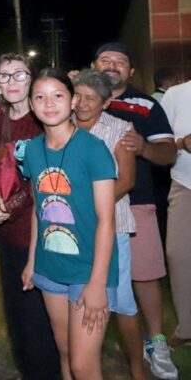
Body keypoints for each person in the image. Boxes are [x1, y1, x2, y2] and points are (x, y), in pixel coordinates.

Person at [21, 68, 118, 380]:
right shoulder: (32, 149)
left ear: (73, 100)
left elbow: (107, 220)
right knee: (64, 351)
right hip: (50, 266)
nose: (49, 103)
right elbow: (39, 209)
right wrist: (32, 261)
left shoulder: (93, 149)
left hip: (89, 269)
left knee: (83, 365)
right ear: (31, 104)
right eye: (40, 97)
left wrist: (98, 284)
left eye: (58, 95)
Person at [92, 43, 177, 379]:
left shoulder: (146, 104)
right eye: (106, 60)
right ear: (94, 66)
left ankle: (157, 342)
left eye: (120, 61)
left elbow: (168, 153)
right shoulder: (79, 99)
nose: (112, 65)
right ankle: (93, 343)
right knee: (95, 278)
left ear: (130, 71)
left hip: (136, 201)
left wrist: (144, 147)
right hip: (87, 206)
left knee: (144, 275)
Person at [0, 53, 60, 380]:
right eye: (4, 76)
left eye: (19, 74)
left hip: (36, 231)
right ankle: (27, 368)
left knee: (37, 312)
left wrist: (10, 206)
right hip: (6, 233)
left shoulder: (43, 119)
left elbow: (42, 178)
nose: (11, 81)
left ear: (32, 78)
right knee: (15, 310)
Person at [72, 69, 144, 380]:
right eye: (77, 96)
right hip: (72, 228)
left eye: (91, 98)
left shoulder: (120, 129)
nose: (82, 104)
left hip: (113, 225)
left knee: (122, 301)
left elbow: (126, 180)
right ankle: (84, 363)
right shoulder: (62, 125)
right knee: (79, 295)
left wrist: (87, 207)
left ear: (105, 103)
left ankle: (137, 368)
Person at [161, 79, 191, 349]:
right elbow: (162, 144)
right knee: (178, 254)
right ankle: (187, 327)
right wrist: (182, 142)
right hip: (185, 184)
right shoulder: (176, 95)